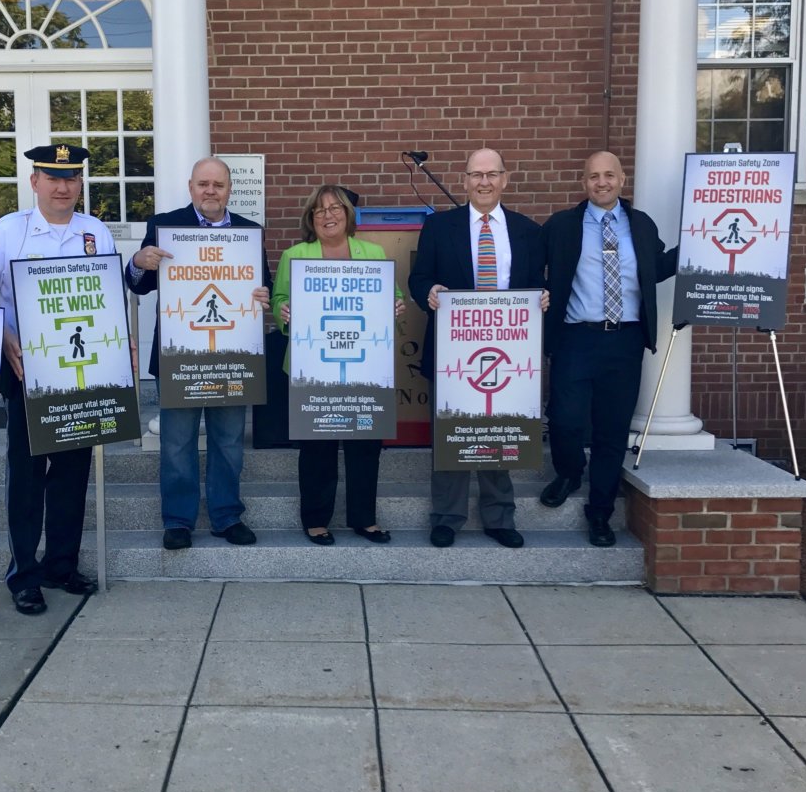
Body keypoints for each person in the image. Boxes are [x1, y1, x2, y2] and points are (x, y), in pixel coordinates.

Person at [0, 144, 114, 615]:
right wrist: (5, 335)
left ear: (80, 184)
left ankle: (61, 565)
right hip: (27, 372)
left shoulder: (96, 232)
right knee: (27, 477)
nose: (62, 186)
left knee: (72, 474)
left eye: (70, 178)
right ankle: (24, 574)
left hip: (81, 370)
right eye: (52, 177)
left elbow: (106, 297)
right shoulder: (9, 232)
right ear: (34, 183)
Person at [127, 156, 272, 550]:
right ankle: (178, 521)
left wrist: (264, 295)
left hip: (232, 357)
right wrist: (140, 262)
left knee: (228, 442)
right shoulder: (164, 227)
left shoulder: (248, 232)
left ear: (229, 190)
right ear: (191, 187)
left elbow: (265, 289)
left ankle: (227, 516)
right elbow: (138, 285)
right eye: (203, 184)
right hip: (181, 358)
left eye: (218, 185)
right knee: (176, 443)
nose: (210, 191)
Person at [539, 150, 678, 546]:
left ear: (622, 179)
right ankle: (568, 470)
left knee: (612, 427)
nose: (601, 183)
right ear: (584, 182)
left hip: (625, 338)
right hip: (575, 337)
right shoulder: (563, 225)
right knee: (564, 417)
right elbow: (534, 267)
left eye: (609, 176)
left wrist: (699, 246)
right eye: (593, 176)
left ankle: (599, 511)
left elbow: (657, 267)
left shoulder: (641, 224)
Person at [408, 148, 545, 549]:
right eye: (475, 175)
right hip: (455, 352)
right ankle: (447, 517)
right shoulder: (439, 227)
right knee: (451, 433)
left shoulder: (527, 231)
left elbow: (535, 284)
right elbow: (420, 279)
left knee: (500, 431)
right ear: (464, 181)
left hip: (508, 354)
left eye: (491, 174)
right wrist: (429, 291)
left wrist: (542, 298)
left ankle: (499, 516)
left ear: (505, 179)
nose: (483, 182)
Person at [271, 184, 405, 545]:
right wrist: (283, 312)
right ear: (310, 219)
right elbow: (280, 300)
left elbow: (392, 296)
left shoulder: (374, 254)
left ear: (348, 215)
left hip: (364, 363)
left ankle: (365, 519)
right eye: (319, 210)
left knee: (365, 444)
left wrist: (396, 306)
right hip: (312, 364)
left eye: (335, 209)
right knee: (317, 447)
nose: (328, 215)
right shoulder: (295, 255)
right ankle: (316, 519)